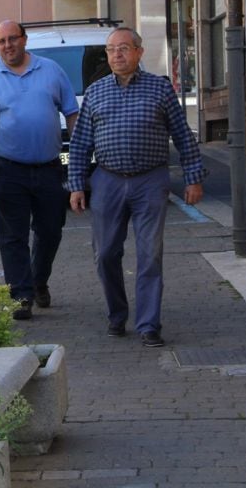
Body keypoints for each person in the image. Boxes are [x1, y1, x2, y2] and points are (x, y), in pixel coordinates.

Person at [68, 27, 206, 348]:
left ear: (139, 53)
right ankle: (117, 315)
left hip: (150, 180)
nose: (117, 55)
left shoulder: (160, 89)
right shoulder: (96, 92)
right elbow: (79, 145)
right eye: (112, 49)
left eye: (124, 48)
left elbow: (183, 136)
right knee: (105, 254)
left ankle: (148, 325)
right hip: (107, 180)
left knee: (149, 254)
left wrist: (193, 177)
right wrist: (76, 185)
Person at [0, 20, 79, 320]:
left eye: (12, 39)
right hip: (6, 169)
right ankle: (21, 295)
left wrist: (79, 157)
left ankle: (38, 279)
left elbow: (71, 114)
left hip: (50, 166)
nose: (7, 46)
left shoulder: (51, 70)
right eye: (2, 41)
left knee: (50, 231)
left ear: (24, 39)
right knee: (12, 236)